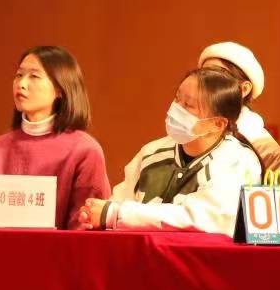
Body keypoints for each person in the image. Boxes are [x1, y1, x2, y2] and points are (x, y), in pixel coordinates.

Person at [73, 67, 263, 236]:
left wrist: (117, 214)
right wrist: (97, 214)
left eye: (188, 105)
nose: (176, 109)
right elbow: (118, 201)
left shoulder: (239, 161)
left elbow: (201, 217)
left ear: (218, 124)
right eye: (177, 98)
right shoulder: (152, 152)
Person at [0, 46, 110, 229]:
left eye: (34, 76)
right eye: (19, 75)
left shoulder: (85, 151)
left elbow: (87, 229)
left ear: (60, 89)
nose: (21, 84)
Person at [198, 42, 280, 172]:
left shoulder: (264, 148)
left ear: (244, 89)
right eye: (202, 75)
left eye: (217, 77)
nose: (204, 84)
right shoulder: (187, 129)